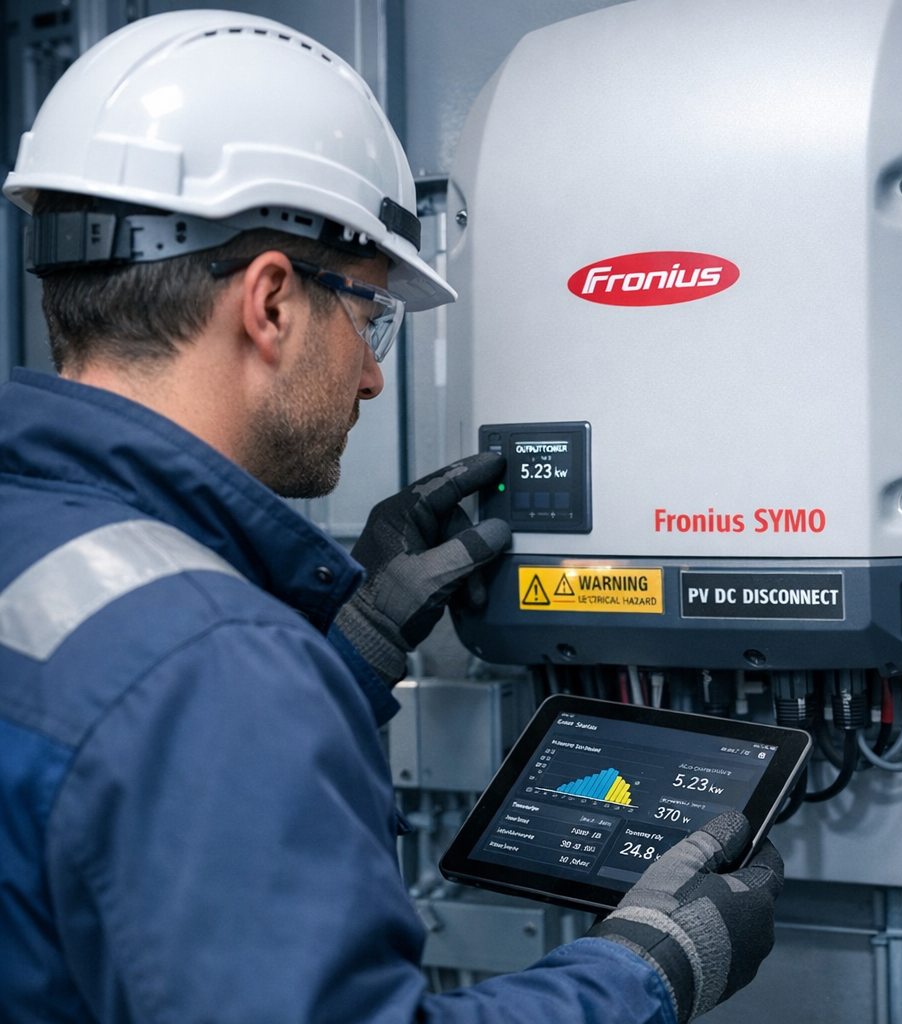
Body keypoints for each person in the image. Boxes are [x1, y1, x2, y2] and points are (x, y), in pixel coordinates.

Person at [0, 11, 783, 1023]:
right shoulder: (214, 668)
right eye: (368, 317)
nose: (373, 376)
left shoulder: (56, 551)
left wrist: (349, 648)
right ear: (272, 302)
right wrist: (651, 968)